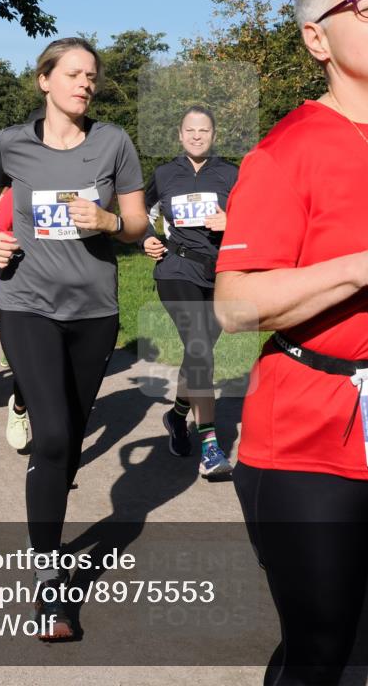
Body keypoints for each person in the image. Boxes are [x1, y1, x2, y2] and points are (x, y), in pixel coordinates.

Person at [215, 0, 368, 684]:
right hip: (310, 443)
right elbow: (233, 307)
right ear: (317, 38)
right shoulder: (285, 152)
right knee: (320, 651)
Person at [0, 37, 148, 639]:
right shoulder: (11, 142)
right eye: (72, 74)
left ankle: (42, 503)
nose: (85, 84)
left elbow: (138, 224)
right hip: (26, 303)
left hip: (94, 312)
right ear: (44, 80)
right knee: (51, 436)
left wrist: (108, 222)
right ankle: (50, 582)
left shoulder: (113, 143)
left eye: (92, 76)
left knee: (67, 436)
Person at [143, 106, 238, 478]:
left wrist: (235, 221)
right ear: (180, 135)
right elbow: (143, 214)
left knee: (198, 354)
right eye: (190, 130)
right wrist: (148, 239)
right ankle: (211, 447)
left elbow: (258, 216)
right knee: (199, 348)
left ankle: (177, 414)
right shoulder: (165, 174)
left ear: (214, 135)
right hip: (176, 269)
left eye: (204, 130)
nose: (197, 136)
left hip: (219, 275)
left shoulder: (232, 174)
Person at [0, 186, 30, 450]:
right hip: (24, 284)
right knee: (31, 361)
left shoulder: (77, 189)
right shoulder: (19, 191)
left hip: (72, 290)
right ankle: (19, 408)